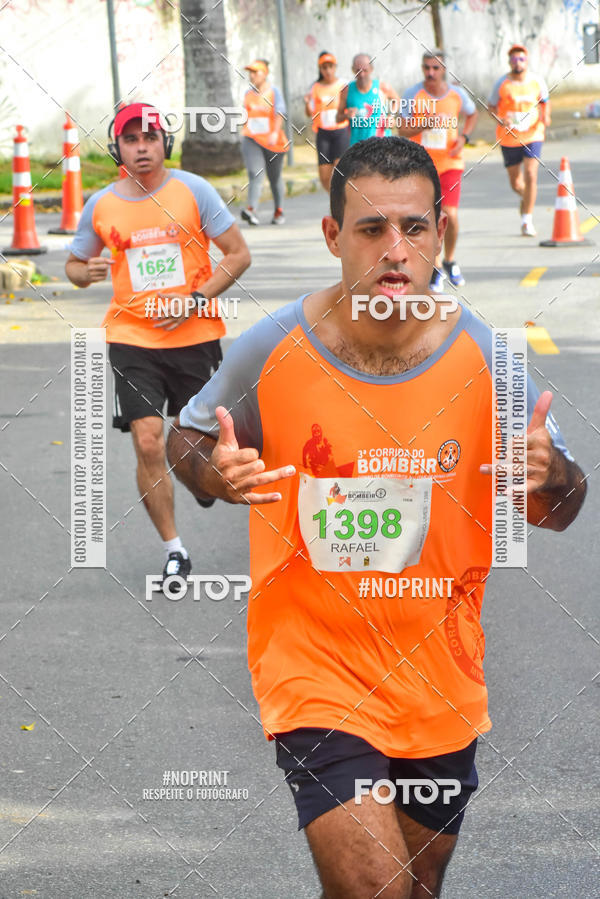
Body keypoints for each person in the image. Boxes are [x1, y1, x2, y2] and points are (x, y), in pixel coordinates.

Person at [167, 137, 586, 898]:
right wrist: (216, 475)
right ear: (333, 237)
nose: (395, 249)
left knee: (414, 886)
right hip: (312, 666)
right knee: (376, 889)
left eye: (413, 227)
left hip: (439, 676)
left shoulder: (489, 358)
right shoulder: (273, 346)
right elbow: (187, 437)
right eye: (370, 230)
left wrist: (551, 476)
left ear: (439, 231)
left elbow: (560, 507)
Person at [65, 102, 250, 587]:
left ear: (164, 143)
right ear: (117, 149)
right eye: (131, 139)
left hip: (194, 338)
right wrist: (86, 272)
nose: (141, 147)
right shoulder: (101, 204)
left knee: (195, 444)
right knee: (148, 441)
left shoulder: (194, 191)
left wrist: (195, 300)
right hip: (131, 339)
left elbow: (237, 255)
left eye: (149, 137)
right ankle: (175, 551)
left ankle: (200, 480)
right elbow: (75, 266)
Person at [397, 49, 478, 291]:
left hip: (450, 163)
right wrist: (423, 123)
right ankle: (435, 268)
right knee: (428, 217)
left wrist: (464, 137)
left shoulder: (457, 94)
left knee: (450, 215)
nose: (430, 72)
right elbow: (401, 129)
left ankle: (450, 260)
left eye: (435, 68)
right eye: (426, 68)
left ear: (444, 70)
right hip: (421, 165)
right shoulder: (412, 94)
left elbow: (472, 114)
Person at [488, 44, 551, 236]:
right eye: (514, 59)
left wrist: (545, 117)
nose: (518, 63)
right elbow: (490, 106)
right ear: (509, 62)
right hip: (509, 137)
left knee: (531, 174)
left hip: (533, 134)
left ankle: (527, 220)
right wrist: (501, 119)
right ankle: (526, 199)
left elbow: (544, 101)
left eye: (521, 59)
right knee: (516, 183)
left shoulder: (536, 81)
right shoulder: (502, 83)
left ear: (527, 61)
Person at [240, 59, 289, 226]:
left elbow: (280, 113)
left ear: (265, 73)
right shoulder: (248, 94)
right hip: (252, 139)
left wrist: (275, 133)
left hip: (272, 141)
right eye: (250, 73)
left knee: (274, 177)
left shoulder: (274, 92)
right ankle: (251, 210)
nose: (252, 76)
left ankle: (279, 210)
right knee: (255, 173)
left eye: (256, 72)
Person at [303, 51, 350, 191]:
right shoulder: (315, 88)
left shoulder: (344, 85)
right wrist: (306, 103)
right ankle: (334, 201)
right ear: (320, 69)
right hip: (323, 134)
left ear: (335, 67)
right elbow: (309, 113)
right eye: (324, 67)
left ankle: (341, 205)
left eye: (330, 66)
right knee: (324, 177)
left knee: (339, 172)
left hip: (341, 132)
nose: (328, 71)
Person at [336, 53, 400, 145]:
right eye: (358, 70)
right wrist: (347, 115)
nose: (361, 74)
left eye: (365, 70)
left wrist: (391, 116)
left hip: (382, 145)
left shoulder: (382, 88)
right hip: (357, 147)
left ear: (371, 69)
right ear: (353, 70)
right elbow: (338, 118)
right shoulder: (346, 90)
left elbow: (397, 100)